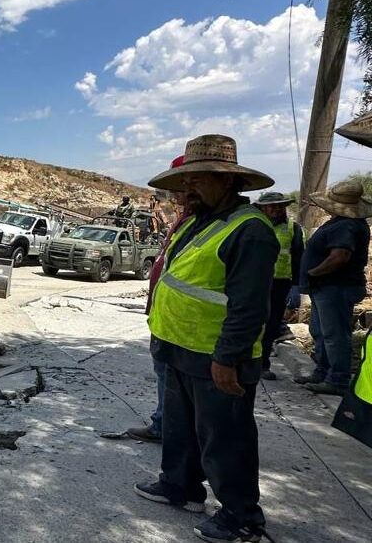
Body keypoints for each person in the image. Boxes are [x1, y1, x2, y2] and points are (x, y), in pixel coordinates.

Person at [134, 134, 278, 543]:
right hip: (179, 347)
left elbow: (249, 306)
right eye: (185, 181)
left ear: (227, 181)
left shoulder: (250, 231)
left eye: (197, 180)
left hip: (216, 355)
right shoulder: (201, 221)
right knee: (181, 430)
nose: (188, 189)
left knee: (225, 439)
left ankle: (242, 516)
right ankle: (180, 486)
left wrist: (227, 357)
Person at [124, 155, 195, 444]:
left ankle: (170, 430)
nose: (176, 195)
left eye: (181, 186)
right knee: (166, 378)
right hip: (168, 320)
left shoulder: (212, 224)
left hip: (188, 326)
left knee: (174, 382)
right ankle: (164, 424)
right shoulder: (188, 219)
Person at [294, 181, 372, 396]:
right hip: (327, 287)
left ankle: (337, 379)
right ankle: (323, 372)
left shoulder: (346, 226)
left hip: (336, 287)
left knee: (334, 334)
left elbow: (340, 256)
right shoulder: (340, 223)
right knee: (320, 331)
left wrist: (314, 272)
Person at [253, 192, 305, 381]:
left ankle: (262, 364)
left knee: (271, 325)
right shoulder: (253, 226)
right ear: (263, 208)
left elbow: (299, 258)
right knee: (252, 322)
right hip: (254, 282)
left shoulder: (293, 228)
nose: (276, 210)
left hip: (280, 283)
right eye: (272, 206)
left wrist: (296, 286)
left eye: (280, 206)